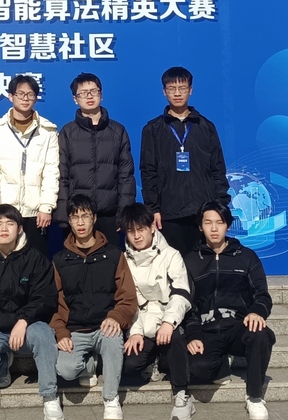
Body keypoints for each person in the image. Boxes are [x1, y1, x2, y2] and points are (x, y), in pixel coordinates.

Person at [0, 204, 63, 420]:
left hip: (28, 325)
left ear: (20, 229)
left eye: (10, 223)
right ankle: (1, 371)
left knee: (45, 335)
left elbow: (44, 298)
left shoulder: (35, 259)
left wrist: (24, 320)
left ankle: (50, 396)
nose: (4, 228)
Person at [184, 201, 275, 420]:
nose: (214, 228)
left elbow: (262, 295)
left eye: (220, 222)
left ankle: (254, 397)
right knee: (198, 368)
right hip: (207, 329)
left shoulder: (247, 256)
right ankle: (222, 365)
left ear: (228, 225)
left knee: (261, 334)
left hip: (239, 326)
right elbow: (186, 304)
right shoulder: (190, 260)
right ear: (200, 227)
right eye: (208, 223)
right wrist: (193, 333)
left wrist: (257, 312)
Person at [51, 195, 137, 420]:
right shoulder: (59, 260)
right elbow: (55, 303)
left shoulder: (114, 255)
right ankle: (89, 364)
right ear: (69, 221)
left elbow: (128, 297)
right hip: (75, 330)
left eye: (85, 216)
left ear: (94, 218)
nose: (80, 222)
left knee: (113, 338)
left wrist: (116, 317)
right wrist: (61, 332)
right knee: (66, 369)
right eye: (74, 217)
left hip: (104, 326)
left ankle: (111, 399)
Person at [140, 66, 231, 256]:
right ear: (164, 91)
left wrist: (219, 206)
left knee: (204, 263)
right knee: (175, 265)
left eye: (182, 88)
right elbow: (148, 172)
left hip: (203, 211)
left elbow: (218, 168)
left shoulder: (205, 127)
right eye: (171, 88)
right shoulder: (153, 130)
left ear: (190, 90)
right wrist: (153, 209)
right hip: (169, 213)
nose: (177, 93)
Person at [118, 203, 194, 420]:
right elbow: (129, 300)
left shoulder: (171, 255)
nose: (137, 236)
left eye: (141, 229)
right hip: (142, 321)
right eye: (131, 231)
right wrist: (135, 332)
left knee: (175, 338)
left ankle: (182, 394)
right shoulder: (123, 260)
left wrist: (168, 323)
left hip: (169, 319)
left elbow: (181, 294)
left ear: (152, 227)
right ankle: (154, 362)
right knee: (130, 364)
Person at [0, 75, 59, 255]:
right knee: (4, 261)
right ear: (11, 96)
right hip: (5, 213)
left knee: (36, 261)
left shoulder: (48, 131)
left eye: (30, 94)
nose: (25, 98)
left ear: (36, 98)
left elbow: (51, 171)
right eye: (20, 94)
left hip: (36, 213)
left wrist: (46, 207)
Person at [55, 73, 135, 246]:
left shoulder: (118, 131)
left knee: (111, 260)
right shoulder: (67, 132)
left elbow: (126, 176)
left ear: (101, 94)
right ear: (75, 99)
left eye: (93, 91)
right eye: (83, 93)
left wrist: (124, 213)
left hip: (109, 216)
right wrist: (63, 214)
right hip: (78, 216)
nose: (89, 96)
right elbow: (62, 176)